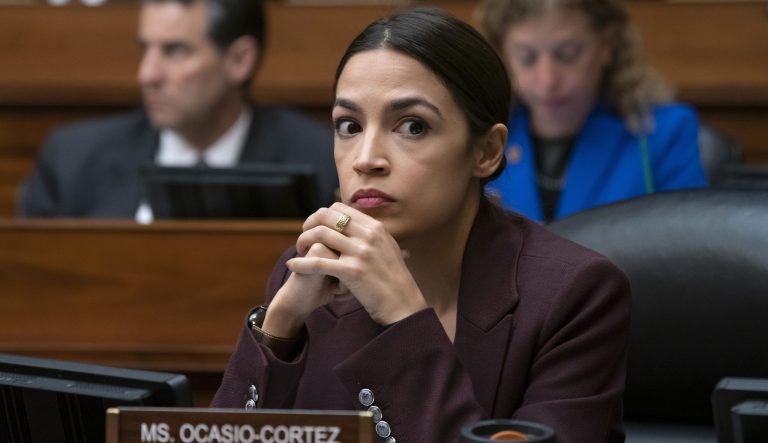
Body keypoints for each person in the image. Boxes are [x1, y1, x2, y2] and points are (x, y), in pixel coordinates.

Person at [212, 8, 631, 442]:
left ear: (487, 151)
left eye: (412, 126)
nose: (365, 159)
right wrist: (278, 329)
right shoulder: (307, 273)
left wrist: (404, 319)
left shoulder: (574, 295)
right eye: (350, 126)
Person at [17, 0, 336, 221]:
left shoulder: (322, 161)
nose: (147, 75)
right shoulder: (72, 160)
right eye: (146, 49)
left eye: (175, 51)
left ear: (239, 60)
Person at [476, 0, 707, 223]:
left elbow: (683, 241)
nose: (548, 81)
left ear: (607, 44)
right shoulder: (483, 133)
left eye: (567, 54)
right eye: (527, 58)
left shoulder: (664, 132)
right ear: (502, 52)